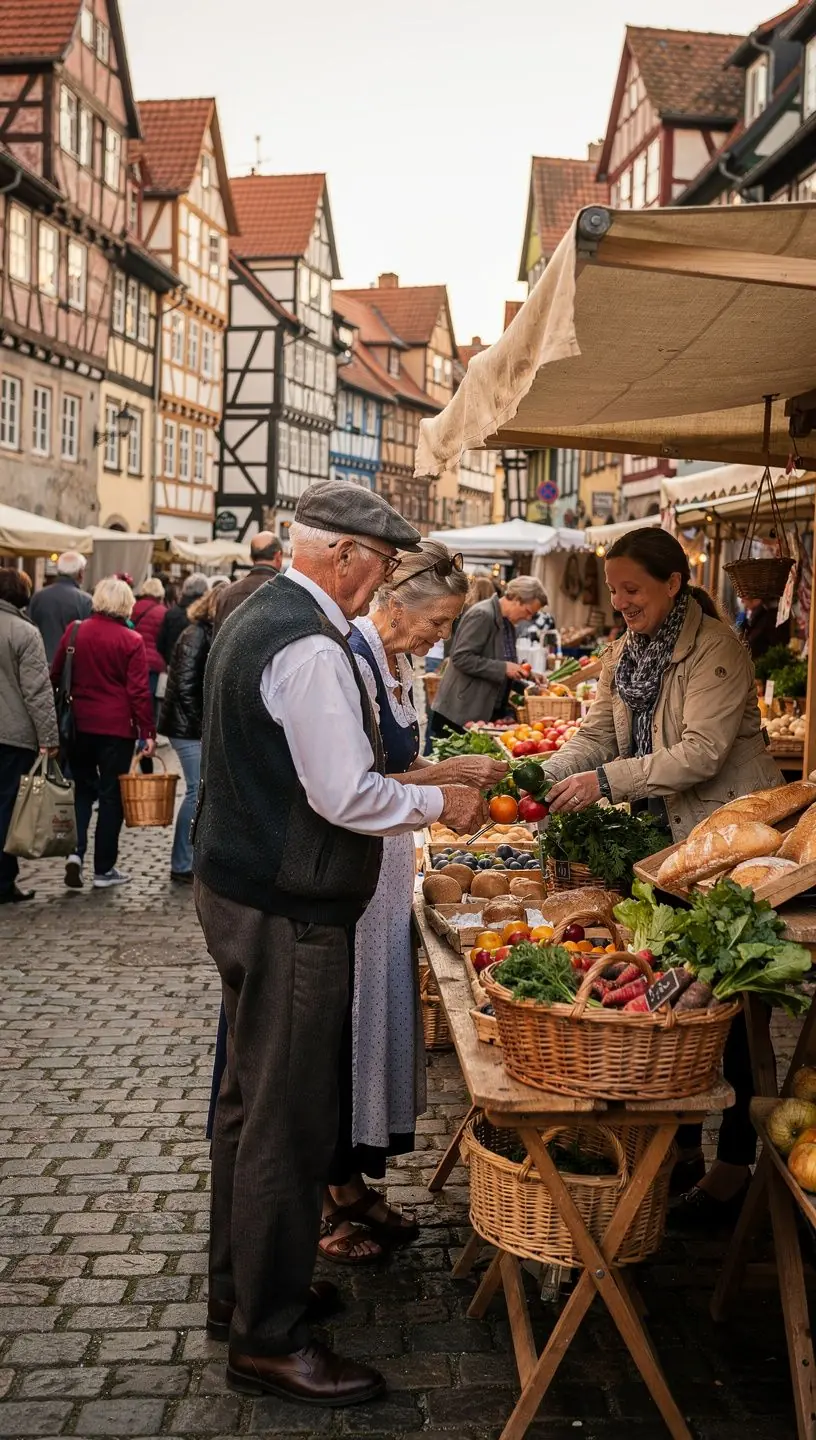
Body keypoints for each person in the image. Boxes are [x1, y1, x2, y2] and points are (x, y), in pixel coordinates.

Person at [195, 481, 486, 1404]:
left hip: (245, 894)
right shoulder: (311, 645)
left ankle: (242, 1291)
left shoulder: (260, 614)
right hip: (290, 908)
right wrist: (444, 800)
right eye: (381, 565)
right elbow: (348, 795)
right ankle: (268, 1338)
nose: (381, 583)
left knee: (249, 1105)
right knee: (286, 1119)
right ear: (345, 555)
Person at [539, 527, 782, 1228]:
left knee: (728, 1014)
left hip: (722, 845)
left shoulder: (718, 650)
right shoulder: (627, 652)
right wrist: (540, 773)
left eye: (631, 589)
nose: (620, 603)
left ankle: (735, 1166)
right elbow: (598, 734)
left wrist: (604, 779)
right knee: (667, 1003)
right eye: (614, 590)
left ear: (674, 582)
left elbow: (701, 754)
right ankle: (679, 1154)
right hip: (659, 850)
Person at [321, 542, 507, 1262]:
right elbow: (357, 777)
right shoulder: (355, 657)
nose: (443, 637)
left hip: (393, 856)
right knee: (346, 1023)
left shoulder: (403, 662)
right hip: (358, 865)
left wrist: (440, 775)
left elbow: (397, 767)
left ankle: (353, 1181)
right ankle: (325, 1193)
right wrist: (450, 772)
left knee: (376, 1018)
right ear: (394, 604)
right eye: (438, 622)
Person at [51, 577, 156, 890]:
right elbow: (138, 691)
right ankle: (104, 868)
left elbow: (55, 675)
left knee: (81, 790)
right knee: (111, 798)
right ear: (126, 604)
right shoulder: (131, 640)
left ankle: (74, 854)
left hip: (78, 726)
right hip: (116, 729)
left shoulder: (74, 630)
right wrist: (147, 731)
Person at [0, 569, 59, 904]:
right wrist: (49, 738)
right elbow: (36, 691)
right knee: (7, 809)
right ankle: (3, 881)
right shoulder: (24, 631)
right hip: (12, 736)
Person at [429, 575, 546, 737]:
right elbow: (461, 658)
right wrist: (504, 667)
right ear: (517, 599)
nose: (528, 618)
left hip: (482, 713)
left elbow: (500, 667)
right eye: (528, 612)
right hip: (459, 714)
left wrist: (527, 679)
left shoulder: (508, 625)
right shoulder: (483, 615)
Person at [158, 587, 218, 884]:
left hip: (187, 725)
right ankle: (181, 862)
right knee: (195, 790)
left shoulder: (202, 633)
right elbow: (184, 685)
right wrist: (202, 727)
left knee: (199, 790)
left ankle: (188, 859)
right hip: (185, 728)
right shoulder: (196, 635)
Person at [212, 531, 284, 634]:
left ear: (251, 558)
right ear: (278, 555)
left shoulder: (226, 595)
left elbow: (216, 644)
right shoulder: (287, 592)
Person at [28, 551, 92, 663]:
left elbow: (28, 629)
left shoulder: (38, 597)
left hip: (39, 661)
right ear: (80, 573)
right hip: (69, 665)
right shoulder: (85, 601)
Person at [131, 578, 167, 775]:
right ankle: (144, 743)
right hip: (153, 666)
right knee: (149, 707)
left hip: (133, 663)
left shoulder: (133, 607)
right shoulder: (162, 612)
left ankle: (138, 739)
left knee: (134, 706)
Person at [156, 572, 209, 665]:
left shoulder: (171, 613)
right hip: (197, 671)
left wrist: (170, 661)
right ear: (205, 592)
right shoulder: (205, 616)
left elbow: (160, 644)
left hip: (173, 666)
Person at [737, 596, 791, 661]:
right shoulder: (753, 617)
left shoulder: (769, 619)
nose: (742, 601)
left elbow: (776, 647)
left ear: (756, 599)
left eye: (744, 597)